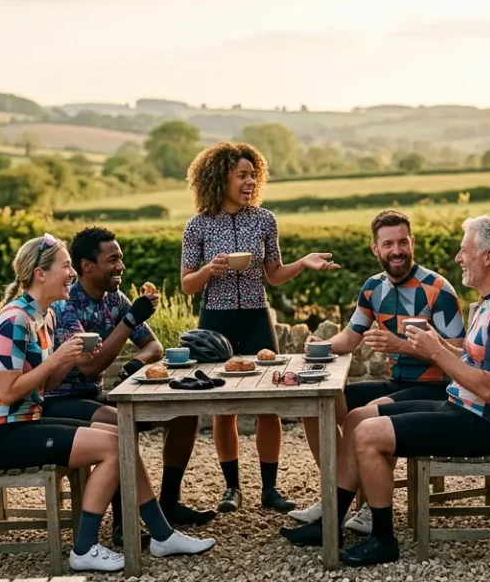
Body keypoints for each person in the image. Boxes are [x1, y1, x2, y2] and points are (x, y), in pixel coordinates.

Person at [281, 216, 490, 567]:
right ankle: (332, 523)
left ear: (488, 257)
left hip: (482, 424)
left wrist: (432, 350)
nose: (459, 258)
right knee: (359, 422)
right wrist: (434, 347)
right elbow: (470, 364)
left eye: (465, 251)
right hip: (460, 408)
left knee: (368, 434)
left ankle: (383, 539)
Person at [0, 235, 214, 573]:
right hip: (1, 435)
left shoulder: (44, 318)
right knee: (114, 446)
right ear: (41, 274)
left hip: (28, 420)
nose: (72, 273)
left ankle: (161, 534)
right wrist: (57, 357)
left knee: (121, 437)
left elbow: (45, 386)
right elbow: (9, 392)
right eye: (66, 266)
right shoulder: (15, 320)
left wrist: (67, 359)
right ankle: (84, 548)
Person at [180, 141, 340, 515]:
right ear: (221, 178)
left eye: (254, 175)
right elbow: (187, 284)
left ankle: (270, 488)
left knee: (270, 405)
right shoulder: (198, 225)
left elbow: (274, 275)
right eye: (242, 175)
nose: (250, 181)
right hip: (215, 320)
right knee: (223, 408)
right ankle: (231, 489)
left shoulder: (264, 220)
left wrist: (303, 262)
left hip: (256, 316)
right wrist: (210, 270)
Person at [285, 209, 465, 534]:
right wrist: (322, 345)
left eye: (403, 242)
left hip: (434, 388)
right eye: (388, 244)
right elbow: (351, 337)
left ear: (412, 243)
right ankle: (334, 491)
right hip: (397, 383)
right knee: (317, 404)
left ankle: (364, 508)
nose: (397, 250)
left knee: (366, 417)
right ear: (375, 249)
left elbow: (459, 350)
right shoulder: (373, 288)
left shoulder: (438, 290)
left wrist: (401, 345)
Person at [47, 226, 215, 548]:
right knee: (121, 427)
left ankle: (168, 503)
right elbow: (90, 367)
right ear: (87, 266)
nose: (121, 267)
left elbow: (154, 346)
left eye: (121, 258)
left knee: (183, 412)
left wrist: (133, 365)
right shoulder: (66, 306)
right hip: (61, 401)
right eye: (113, 260)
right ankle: (124, 526)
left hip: (96, 398)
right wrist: (128, 322)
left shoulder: (116, 299)